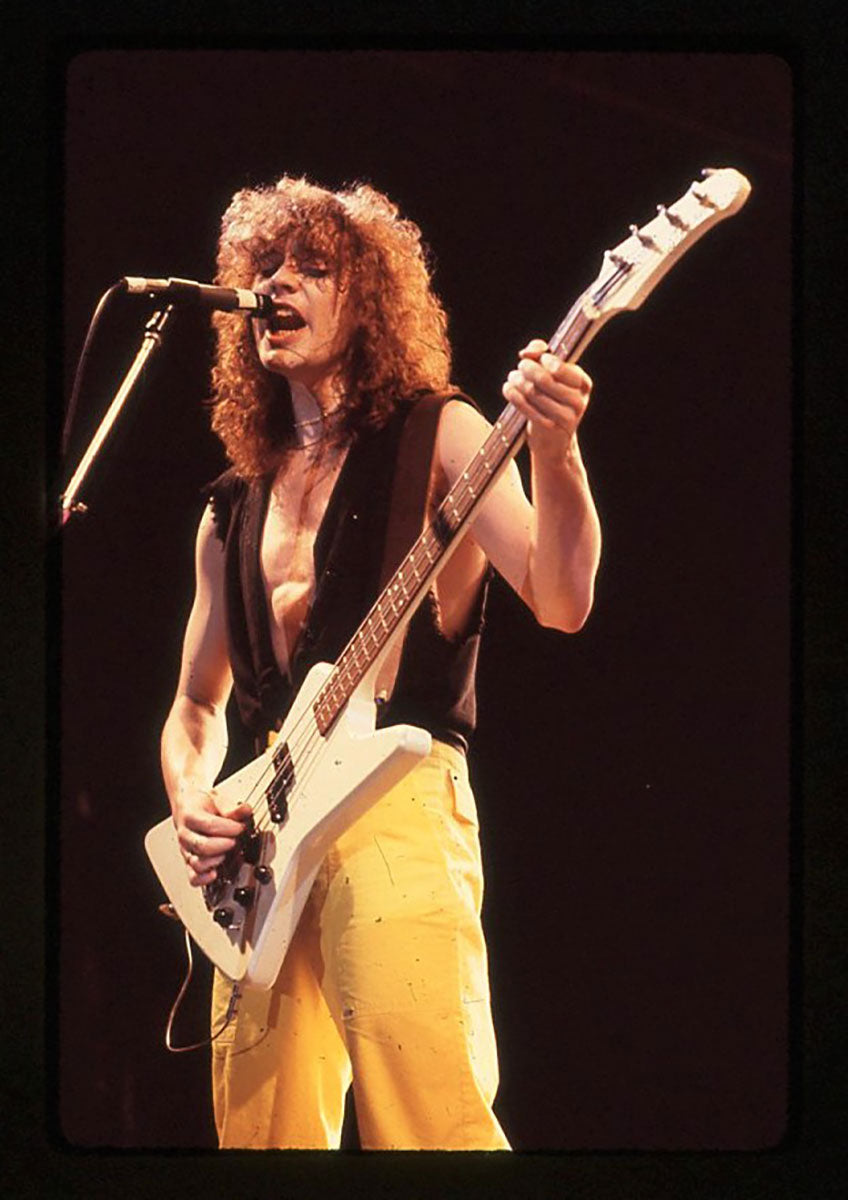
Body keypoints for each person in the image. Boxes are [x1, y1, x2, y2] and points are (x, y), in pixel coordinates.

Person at [160, 175, 601, 1150]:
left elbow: (560, 598)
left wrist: (558, 452)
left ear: (368, 301)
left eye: (311, 268)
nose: (278, 284)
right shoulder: (230, 504)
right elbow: (196, 701)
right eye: (265, 267)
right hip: (259, 836)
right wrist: (192, 797)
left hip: (395, 795)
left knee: (427, 1118)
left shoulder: (439, 431)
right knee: (260, 1134)